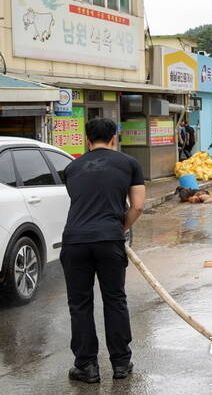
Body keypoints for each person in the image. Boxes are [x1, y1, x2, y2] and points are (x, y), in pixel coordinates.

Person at [60, 118, 145, 383]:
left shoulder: (71, 168)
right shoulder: (129, 164)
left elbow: (81, 202)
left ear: (87, 140)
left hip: (74, 241)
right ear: (114, 139)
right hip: (109, 240)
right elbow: (138, 206)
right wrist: (121, 229)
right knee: (115, 300)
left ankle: (86, 367)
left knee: (80, 305)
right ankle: (120, 364)